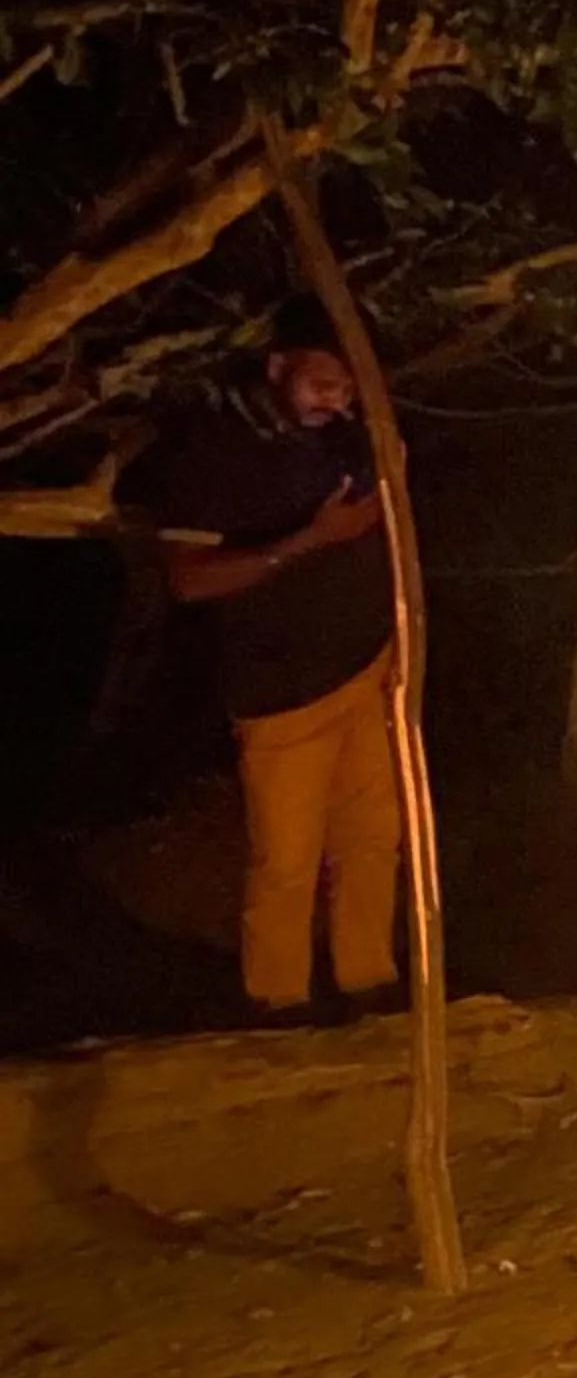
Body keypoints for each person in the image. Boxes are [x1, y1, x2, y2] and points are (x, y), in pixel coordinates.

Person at [133, 295, 398, 1020]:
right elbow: (188, 579)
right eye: (321, 381)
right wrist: (307, 540)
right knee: (287, 860)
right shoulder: (213, 452)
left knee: (374, 839)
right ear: (279, 365)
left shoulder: (347, 437)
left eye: (347, 387)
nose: (334, 400)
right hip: (282, 691)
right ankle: (277, 1004)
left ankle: (369, 985)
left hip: (366, 669)